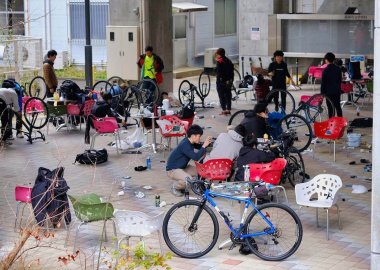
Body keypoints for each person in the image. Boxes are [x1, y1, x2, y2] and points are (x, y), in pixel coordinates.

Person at [166, 125, 212, 196]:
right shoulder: (185, 144)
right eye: (199, 136)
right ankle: (175, 187)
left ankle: (196, 185)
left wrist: (208, 144)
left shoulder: (190, 141)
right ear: (193, 136)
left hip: (183, 167)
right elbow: (196, 157)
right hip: (173, 170)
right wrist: (204, 146)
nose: (200, 138)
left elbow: (200, 146)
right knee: (188, 180)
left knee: (201, 171)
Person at [321, 52, 342, 117]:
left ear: (326, 60)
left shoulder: (325, 70)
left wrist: (322, 93)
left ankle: (331, 123)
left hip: (328, 92)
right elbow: (339, 81)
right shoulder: (338, 69)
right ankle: (340, 122)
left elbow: (323, 83)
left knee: (330, 108)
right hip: (336, 91)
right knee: (338, 107)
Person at [215, 48, 234, 115]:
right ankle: (228, 109)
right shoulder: (229, 61)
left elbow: (219, 72)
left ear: (219, 54)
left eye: (217, 54)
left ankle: (224, 110)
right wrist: (230, 80)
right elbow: (232, 72)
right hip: (228, 81)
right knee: (228, 95)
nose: (216, 55)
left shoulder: (219, 61)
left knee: (221, 96)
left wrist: (220, 80)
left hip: (221, 82)